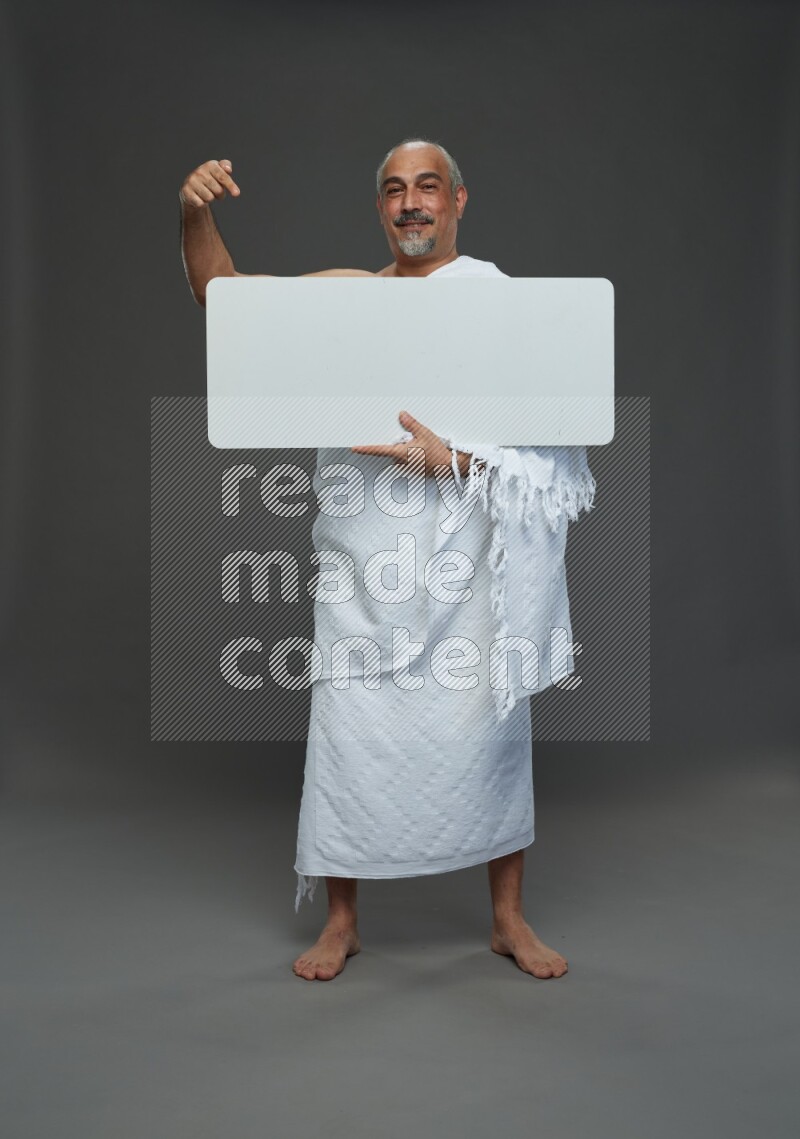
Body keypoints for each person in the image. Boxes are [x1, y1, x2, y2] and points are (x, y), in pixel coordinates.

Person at [179, 138, 596, 982]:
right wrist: (194, 214)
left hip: (468, 566)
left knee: (491, 735)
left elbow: (555, 445)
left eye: (428, 187)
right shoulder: (349, 297)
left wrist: (457, 461)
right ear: (380, 208)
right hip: (363, 563)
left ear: (458, 201)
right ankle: (342, 922)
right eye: (396, 190)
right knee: (350, 733)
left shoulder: (500, 303)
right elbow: (224, 298)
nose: (412, 203)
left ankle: (508, 918)